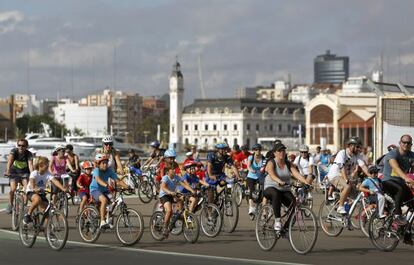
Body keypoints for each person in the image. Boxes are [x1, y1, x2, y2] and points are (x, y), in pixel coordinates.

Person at [264, 143, 309, 231]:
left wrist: (307, 182)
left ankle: (285, 228)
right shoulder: (271, 162)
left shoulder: (288, 164)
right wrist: (279, 181)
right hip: (270, 187)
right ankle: (277, 221)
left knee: (294, 205)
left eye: (283, 150)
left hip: (284, 189)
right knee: (275, 194)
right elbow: (272, 174)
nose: (282, 152)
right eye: (280, 151)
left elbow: (296, 174)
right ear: (274, 153)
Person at [326, 136, 370, 214]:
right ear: (351, 146)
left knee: (356, 195)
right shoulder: (342, 153)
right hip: (334, 175)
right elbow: (341, 167)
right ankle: (340, 207)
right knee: (347, 186)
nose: (358, 149)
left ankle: (345, 215)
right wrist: (346, 179)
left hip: (345, 177)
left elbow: (363, 166)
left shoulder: (357, 155)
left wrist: (370, 175)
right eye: (357, 147)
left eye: (359, 147)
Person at [381, 134, 414, 230]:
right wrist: (406, 178)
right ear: (400, 143)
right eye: (404, 142)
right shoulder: (393, 154)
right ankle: (397, 215)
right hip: (388, 181)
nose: (406, 144)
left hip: (402, 183)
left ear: (411, 144)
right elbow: (395, 167)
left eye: (409, 143)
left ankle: (406, 232)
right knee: (400, 189)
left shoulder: (411, 155)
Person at [90, 153, 131, 228]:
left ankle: (107, 218)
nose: (105, 165)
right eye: (103, 163)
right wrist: (107, 185)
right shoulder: (96, 170)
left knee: (113, 203)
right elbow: (98, 179)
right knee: (104, 200)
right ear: (99, 164)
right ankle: (102, 221)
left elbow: (118, 180)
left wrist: (128, 187)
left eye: (106, 163)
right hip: (95, 190)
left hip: (105, 190)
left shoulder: (109, 171)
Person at [23, 156, 67, 224]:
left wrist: (63, 188)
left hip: (41, 193)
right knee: (37, 199)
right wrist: (35, 188)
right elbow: (32, 183)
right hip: (31, 192)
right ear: (40, 165)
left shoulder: (47, 173)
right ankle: (28, 215)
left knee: (47, 210)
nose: (48, 165)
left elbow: (55, 181)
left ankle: (48, 230)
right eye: (46, 164)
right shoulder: (34, 173)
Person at [159, 164, 195, 238]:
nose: (175, 170)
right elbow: (163, 187)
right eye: (172, 169)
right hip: (164, 195)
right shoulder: (165, 177)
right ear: (168, 171)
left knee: (184, 201)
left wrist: (192, 190)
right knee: (169, 210)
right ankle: (165, 228)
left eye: (175, 169)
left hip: (173, 194)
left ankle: (180, 217)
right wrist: (169, 192)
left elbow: (184, 185)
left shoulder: (176, 177)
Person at [5, 139, 34, 214]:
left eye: (23, 146)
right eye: (19, 145)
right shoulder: (14, 151)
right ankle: (10, 204)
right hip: (14, 172)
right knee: (13, 189)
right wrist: (8, 170)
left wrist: (33, 175)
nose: (21, 147)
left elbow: (30, 165)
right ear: (17, 146)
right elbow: (10, 161)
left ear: (26, 146)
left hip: (25, 172)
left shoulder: (29, 154)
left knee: (26, 189)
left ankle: (24, 205)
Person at [246, 143, 265, 216]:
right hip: (251, 176)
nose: (258, 151)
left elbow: (264, 166)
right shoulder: (251, 157)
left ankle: (262, 206)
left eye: (259, 149)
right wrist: (251, 169)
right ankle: (251, 207)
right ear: (254, 150)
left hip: (260, 176)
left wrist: (263, 170)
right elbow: (248, 166)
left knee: (263, 191)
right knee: (252, 190)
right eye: (256, 150)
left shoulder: (263, 158)